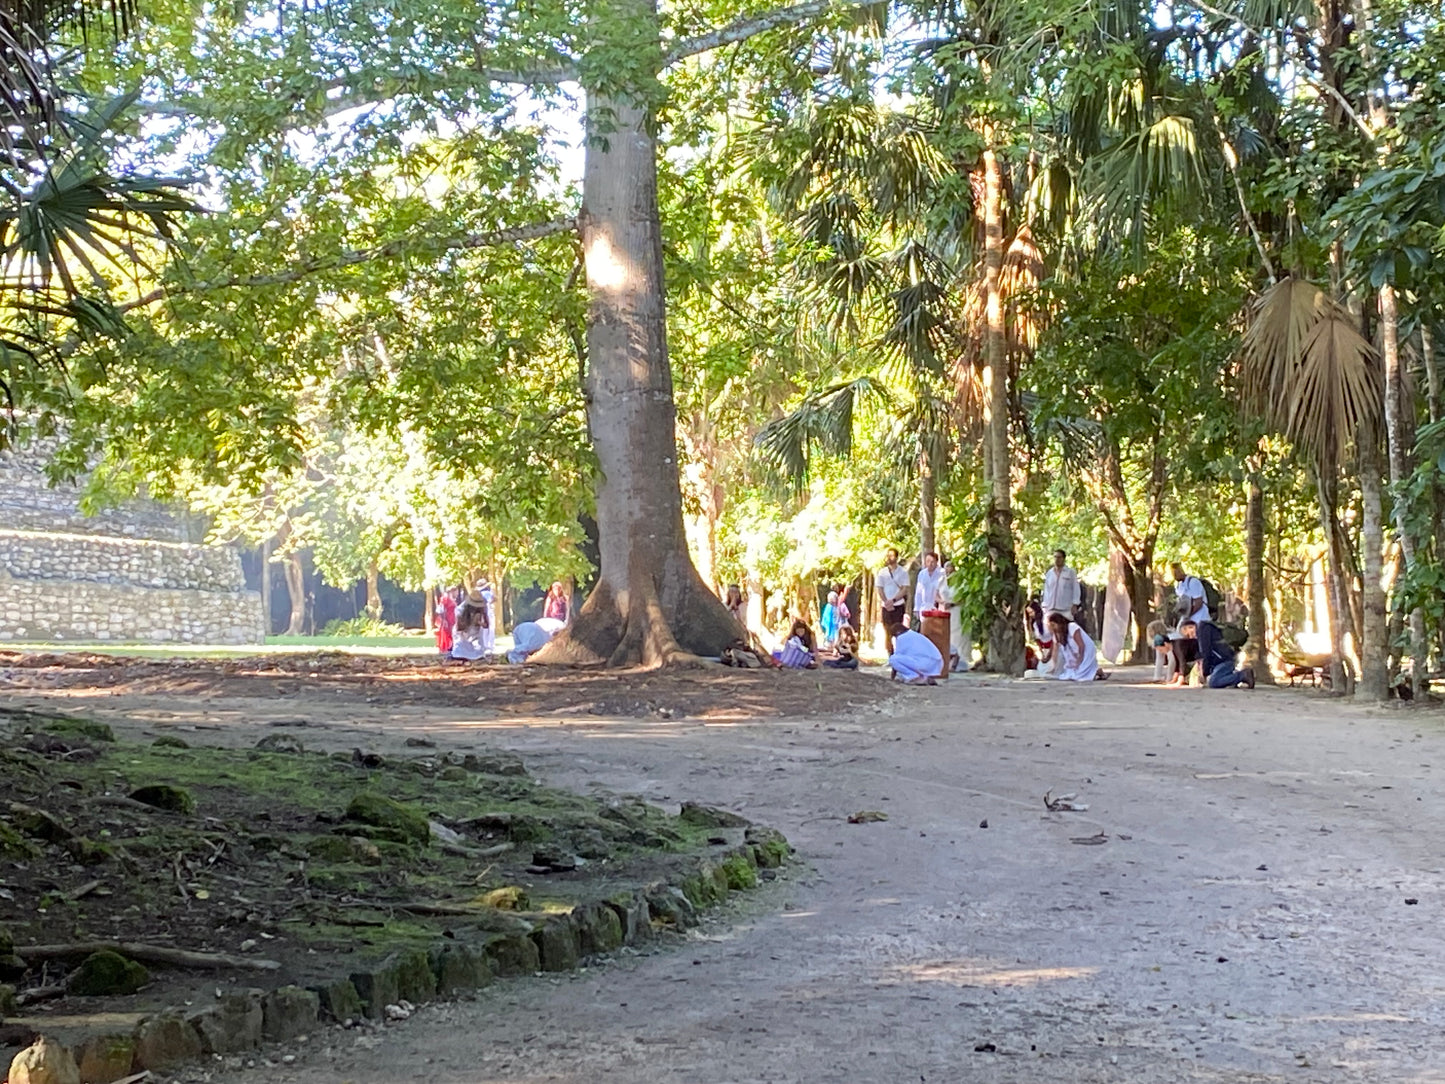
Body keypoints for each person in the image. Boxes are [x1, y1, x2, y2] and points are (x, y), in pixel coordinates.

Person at [1171, 562, 1217, 683]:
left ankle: (1202, 673)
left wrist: (1188, 616)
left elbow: (1198, 602)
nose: (1175, 575)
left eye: (1176, 571)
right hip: (1186, 616)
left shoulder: (1193, 582)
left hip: (1199, 616)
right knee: (1179, 640)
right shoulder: (1178, 586)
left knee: (1199, 644)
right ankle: (1181, 671)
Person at [1178, 620, 1255, 689]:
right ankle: (1232, 680)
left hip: (1225, 659)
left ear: (1190, 627)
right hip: (1221, 660)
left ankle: (1243, 675)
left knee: (1214, 682)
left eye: (1188, 635)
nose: (1191, 637)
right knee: (1215, 679)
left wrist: (1205, 672)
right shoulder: (1204, 630)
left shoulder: (1203, 629)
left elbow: (1206, 652)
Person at [1046, 612, 1106, 682]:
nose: (1053, 628)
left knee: (1079, 675)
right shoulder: (1057, 634)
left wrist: (1079, 660)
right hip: (1074, 653)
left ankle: (1097, 671)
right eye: (1051, 626)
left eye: (1054, 625)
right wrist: (1053, 666)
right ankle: (1095, 672)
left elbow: (1081, 645)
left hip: (1086, 650)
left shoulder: (1072, 626)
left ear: (1060, 623)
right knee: (1068, 675)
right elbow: (1055, 651)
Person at [937, 559, 970, 672]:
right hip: (945, 610)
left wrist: (953, 603)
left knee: (958, 634)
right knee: (947, 634)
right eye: (946, 567)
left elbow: (964, 596)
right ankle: (948, 660)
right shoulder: (942, 580)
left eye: (950, 567)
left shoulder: (960, 581)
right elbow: (935, 593)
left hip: (957, 609)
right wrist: (942, 602)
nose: (948, 569)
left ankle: (960, 660)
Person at [876, 548, 910, 655]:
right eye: (888, 555)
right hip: (886, 606)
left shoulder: (903, 572)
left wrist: (894, 600)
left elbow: (905, 589)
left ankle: (900, 653)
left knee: (899, 631)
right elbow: (879, 588)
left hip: (898, 605)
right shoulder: (882, 572)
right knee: (887, 631)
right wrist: (886, 601)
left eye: (891, 555)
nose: (889, 558)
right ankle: (890, 654)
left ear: (896, 557)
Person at [1041, 549, 1080, 621]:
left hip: (1066, 609)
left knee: (1066, 629)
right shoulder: (1050, 573)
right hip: (1050, 608)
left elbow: (1076, 588)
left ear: (1063, 559)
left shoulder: (1070, 573)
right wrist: (1044, 605)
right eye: (1055, 557)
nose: (1057, 559)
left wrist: (1075, 604)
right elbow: (1046, 590)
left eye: (1059, 557)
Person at [451, 589, 489, 661]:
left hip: (475, 633)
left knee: (478, 652)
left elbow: (486, 625)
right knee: (460, 651)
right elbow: (459, 628)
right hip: (462, 633)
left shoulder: (483, 608)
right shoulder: (460, 610)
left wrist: (479, 623)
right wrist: (469, 622)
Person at [1025, 596, 1054, 673]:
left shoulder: (1046, 620)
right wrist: (1041, 654)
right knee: (1041, 669)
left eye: (1031, 612)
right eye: (1029, 613)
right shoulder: (1033, 624)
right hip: (1044, 651)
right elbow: (1037, 641)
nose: (1030, 615)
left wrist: (1050, 654)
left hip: (1054, 649)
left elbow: (1055, 638)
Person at [914, 551, 945, 616]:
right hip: (924, 607)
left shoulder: (942, 573)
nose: (930, 564)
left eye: (932, 562)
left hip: (938, 606)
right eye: (928, 561)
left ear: (936, 562)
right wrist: (917, 608)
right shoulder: (922, 574)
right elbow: (918, 592)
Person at [434, 586, 458, 655]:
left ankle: (451, 648)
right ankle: (446, 649)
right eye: (456, 592)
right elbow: (441, 610)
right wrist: (444, 620)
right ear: (452, 591)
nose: (457, 593)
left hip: (452, 619)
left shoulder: (452, 599)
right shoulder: (445, 599)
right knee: (447, 634)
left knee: (452, 634)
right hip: (447, 620)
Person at [477, 578, 497, 656]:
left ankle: (484, 645)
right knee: (491, 628)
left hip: (481, 612)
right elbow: (495, 598)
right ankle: (490, 645)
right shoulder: (488, 593)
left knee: (484, 629)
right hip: (488, 611)